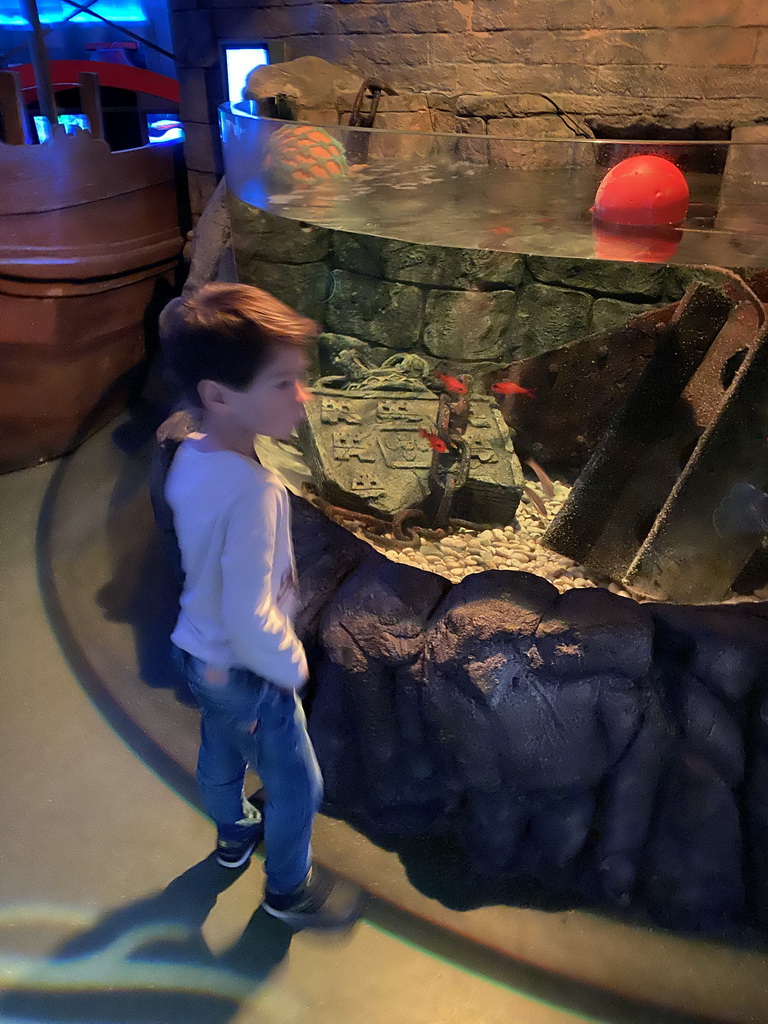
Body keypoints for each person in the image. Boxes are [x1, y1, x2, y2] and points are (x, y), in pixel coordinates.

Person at [159, 283, 359, 930]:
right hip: (247, 669)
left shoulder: (192, 455)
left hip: (198, 652)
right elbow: (250, 613)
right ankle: (287, 890)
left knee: (219, 753)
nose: (301, 396)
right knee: (299, 785)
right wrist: (289, 665)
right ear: (219, 395)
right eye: (282, 383)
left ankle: (232, 836)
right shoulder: (257, 492)